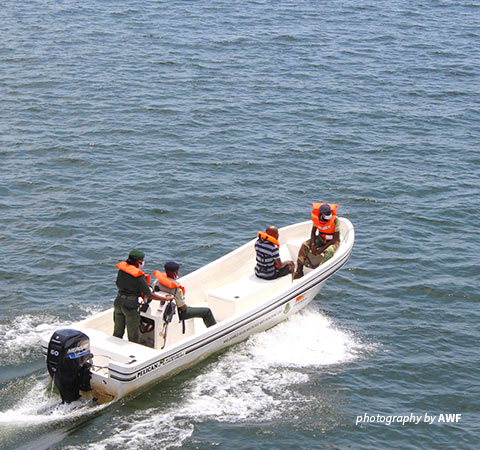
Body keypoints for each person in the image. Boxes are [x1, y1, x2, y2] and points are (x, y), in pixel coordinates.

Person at [114, 249, 173, 343]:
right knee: (133, 335)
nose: (142, 263)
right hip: (130, 305)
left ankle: (114, 350)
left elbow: (118, 283)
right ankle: (133, 354)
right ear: (137, 262)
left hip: (118, 301)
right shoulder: (138, 276)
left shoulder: (122, 270)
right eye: (141, 261)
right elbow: (149, 295)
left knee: (117, 332)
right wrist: (165, 298)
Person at [152, 261, 217, 328]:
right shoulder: (176, 289)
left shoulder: (157, 281)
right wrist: (188, 307)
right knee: (206, 312)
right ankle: (214, 330)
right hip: (179, 313)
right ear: (175, 273)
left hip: (160, 309)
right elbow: (183, 308)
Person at [294, 203, 341, 279]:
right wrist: (313, 245)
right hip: (321, 238)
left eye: (329, 213)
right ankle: (299, 270)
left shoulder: (335, 220)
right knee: (304, 245)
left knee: (329, 251)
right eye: (327, 214)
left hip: (332, 241)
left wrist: (322, 249)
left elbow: (336, 238)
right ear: (322, 214)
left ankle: (319, 272)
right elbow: (313, 232)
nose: (329, 215)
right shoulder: (317, 219)